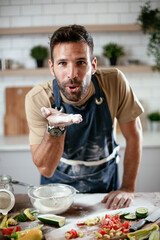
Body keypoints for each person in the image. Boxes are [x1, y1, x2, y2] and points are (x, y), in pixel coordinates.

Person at [25, 24, 143, 209]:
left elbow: (134, 135)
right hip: (56, 198)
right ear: (51, 67)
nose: (72, 74)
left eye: (81, 62)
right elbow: (46, 169)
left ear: (93, 65)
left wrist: (128, 188)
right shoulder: (38, 98)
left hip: (105, 195)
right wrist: (56, 129)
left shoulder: (114, 82)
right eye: (62, 63)